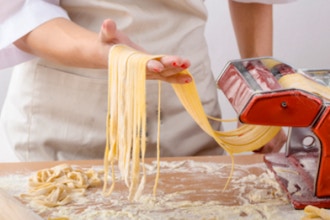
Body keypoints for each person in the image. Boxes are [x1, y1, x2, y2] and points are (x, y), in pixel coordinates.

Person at [0, 0, 295, 161]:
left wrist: (259, 90)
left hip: (186, 112)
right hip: (67, 119)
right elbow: (22, 11)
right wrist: (107, 54)